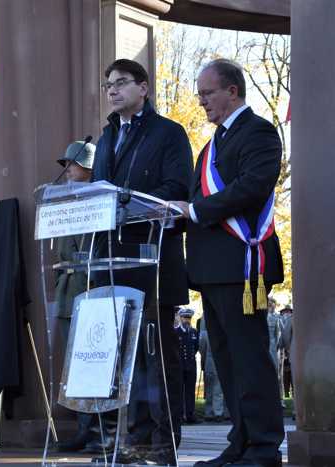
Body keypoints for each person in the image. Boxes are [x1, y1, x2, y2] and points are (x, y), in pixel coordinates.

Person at [171, 58, 284, 467]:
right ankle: (240, 443)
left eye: (207, 93)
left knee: (250, 358)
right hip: (212, 268)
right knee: (227, 360)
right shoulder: (211, 145)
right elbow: (196, 200)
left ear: (232, 91)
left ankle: (264, 448)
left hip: (242, 266)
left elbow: (252, 187)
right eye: (200, 95)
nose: (201, 101)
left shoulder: (259, 133)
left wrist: (194, 211)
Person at [91, 59, 193, 465]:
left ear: (143, 88)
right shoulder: (106, 137)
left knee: (156, 354)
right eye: (108, 85)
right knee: (122, 356)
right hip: (112, 262)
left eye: (121, 83)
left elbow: (177, 188)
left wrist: (125, 202)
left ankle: (162, 441)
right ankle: (130, 438)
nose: (112, 91)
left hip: (152, 259)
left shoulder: (169, 133)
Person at [52, 140, 114, 453]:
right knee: (73, 368)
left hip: (92, 289)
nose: (67, 171)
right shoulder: (63, 202)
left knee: (96, 363)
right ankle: (84, 429)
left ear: (88, 168)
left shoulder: (101, 199)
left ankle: (103, 431)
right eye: (66, 166)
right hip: (68, 293)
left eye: (72, 165)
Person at [199, 317, 229, 423]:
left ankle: (210, 412)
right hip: (216, 362)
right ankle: (217, 412)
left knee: (210, 387)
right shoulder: (222, 333)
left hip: (209, 362)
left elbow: (202, 349)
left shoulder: (204, 334)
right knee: (217, 388)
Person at [176, 308, 199, 424]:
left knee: (190, 391)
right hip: (179, 366)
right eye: (185, 317)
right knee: (179, 391)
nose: (187, 320)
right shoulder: (176, 332)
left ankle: (190, 415)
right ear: (180, 318)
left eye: (189, 318)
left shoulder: (194, 332)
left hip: (191, 365)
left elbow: (196, 348)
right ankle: (179, 416)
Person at [278, 307, 293, 401]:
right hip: (286, 352)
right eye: (284, 311)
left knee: (290, 375)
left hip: (289, 351)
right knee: (285, 375)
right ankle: (286, 394)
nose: (286, 313)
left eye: (288, 311)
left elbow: (286, 336)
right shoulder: (280, 320)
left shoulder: (290, 320)